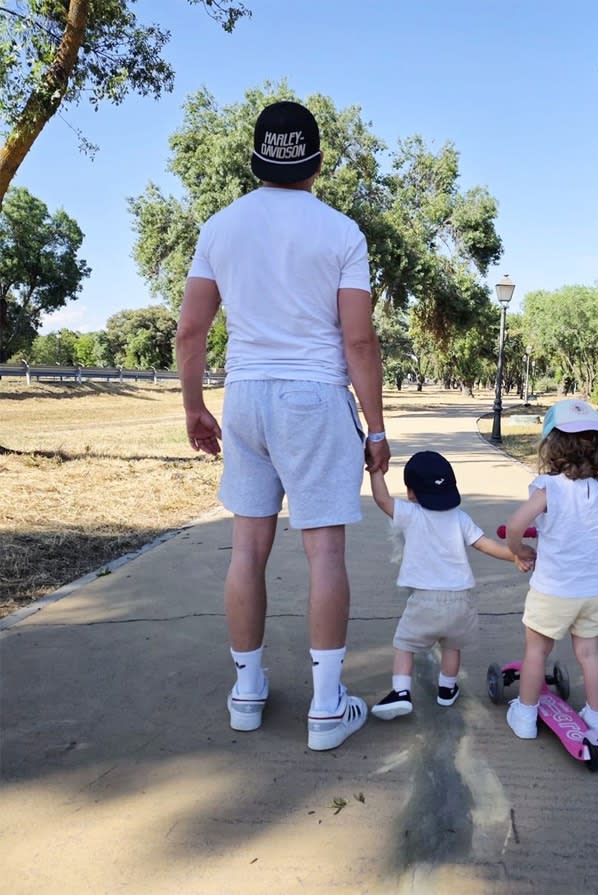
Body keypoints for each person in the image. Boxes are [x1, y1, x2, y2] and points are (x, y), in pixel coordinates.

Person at [175, 100, 390, 751]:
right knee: (323, 551)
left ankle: (246, 689)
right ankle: (327, 706)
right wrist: (376, 430)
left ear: (257, 159)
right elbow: (359, 343)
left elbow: (191, 328)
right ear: (317, 162)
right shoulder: (342, 234)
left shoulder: (220, 227)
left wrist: (192, 405)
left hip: (245, 398)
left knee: (247, 550)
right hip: (315, 399)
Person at [368, 450, 532, 719]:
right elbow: (486, 545)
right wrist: (516, 556)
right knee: (451, 646)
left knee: (404, 644)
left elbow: (382, 499)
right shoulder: (460, 517)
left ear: (411, 492)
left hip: (424, 600)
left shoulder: (410, 513)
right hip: (460, 599)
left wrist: (375, 470)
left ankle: (400, 692)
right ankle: (447, 690)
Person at [504, 399, 598, 744]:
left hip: (553, 589)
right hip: (591, 590)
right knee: (589, 654)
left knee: (537, 652)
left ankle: (525, 713)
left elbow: (515, 525)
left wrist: (519, 549)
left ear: (552, 444)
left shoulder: (550, 487)